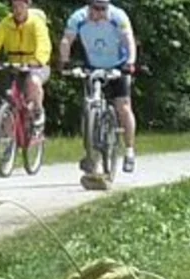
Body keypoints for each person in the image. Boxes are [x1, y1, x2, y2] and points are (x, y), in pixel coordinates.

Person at [60, 0, 139, 173]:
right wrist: (65, 62)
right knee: (89, 106)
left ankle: (129, 151)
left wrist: (130, 63)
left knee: (123, 107)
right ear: (89, 7)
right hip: (93, 66)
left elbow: (129, 40)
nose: (100, 13)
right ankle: (91, 153)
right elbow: (67, 40)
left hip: (118, 65)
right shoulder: (78, 17)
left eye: (104, 8)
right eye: (97, 8)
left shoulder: (118, 16)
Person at [0, 0, 54, 133]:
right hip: (15, 67)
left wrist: (38, 60)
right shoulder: (5, 24)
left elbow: (44, 44)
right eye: (14, 6)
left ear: (28, 6)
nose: (18, 10)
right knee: (9, 99)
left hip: (37, 67)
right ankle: (7, 141)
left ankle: (38, 113)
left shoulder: (36, 23)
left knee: (33, 82)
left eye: (21, 6)